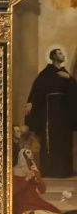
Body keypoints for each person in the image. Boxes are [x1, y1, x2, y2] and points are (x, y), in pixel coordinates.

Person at [25, 47, 77, 178]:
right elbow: (37, 90)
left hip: (64, 114)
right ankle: (50, 170)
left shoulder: (66, 73)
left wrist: (69, 78)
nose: (63, 54)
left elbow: (74, 92)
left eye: (62, 53)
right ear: (53, 56)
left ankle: (65, 171)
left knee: (64, 141)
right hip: (50, 113)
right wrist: (31, 102)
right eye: (59, 53)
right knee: (51, 141)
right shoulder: (45, 73)